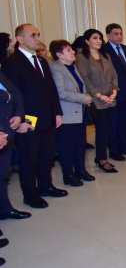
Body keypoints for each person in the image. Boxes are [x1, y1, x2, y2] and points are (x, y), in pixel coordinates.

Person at [3, 23, 67, 209]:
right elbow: (12, 95)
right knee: (29, 158)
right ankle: (30, 195)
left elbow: (51, 89)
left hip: (47, 117)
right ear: (20, 39)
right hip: (28, 120)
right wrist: (20, 120)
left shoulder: (42, 61)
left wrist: (57, 112)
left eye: (38, 34)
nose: (38, 38)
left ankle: (46, 186)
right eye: (33, 35)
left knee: (46, 155)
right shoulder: (12, 63)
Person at [48, 40, 95, 186]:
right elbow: (61, 93)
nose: (73, 52)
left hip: (79, 112)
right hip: (66, 115)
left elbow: (81, 86)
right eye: (68, 50)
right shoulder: (56, 68)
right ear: (59, 54)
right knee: (66, 147)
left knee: (80, 145)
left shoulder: (72, 67)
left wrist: (86, 96)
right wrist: (84, 98)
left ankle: (80, 170)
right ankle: (68, 175)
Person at [76, 29, 119, 172]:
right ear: (87, 41)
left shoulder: (105, 55)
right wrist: (100, 95)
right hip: (95, 100)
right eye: (95, 38)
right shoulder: (81, 57)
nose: (99, 40)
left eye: (100, 38)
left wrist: (114, 91)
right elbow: (85, 79)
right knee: (101, 130)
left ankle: (100, 156)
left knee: (107, 129)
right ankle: (102, 159)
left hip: (110, 98)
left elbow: (114, 75)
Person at [102, 23, 126, 162]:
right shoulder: (103, 50)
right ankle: (114, 150)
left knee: (124, 121)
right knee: (113, 122)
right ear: (108, 35)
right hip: (113, 92)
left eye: (120, 33)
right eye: (115, 34)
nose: (119, 36)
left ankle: (125, 146)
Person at [0, 69, 32, 221]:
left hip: (8, 131)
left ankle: (4, 209)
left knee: (2, 174)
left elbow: (17, 94)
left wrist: (19, 115)